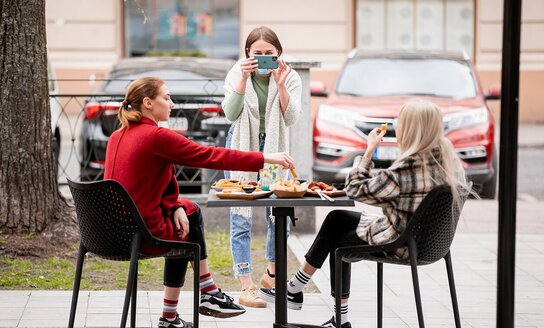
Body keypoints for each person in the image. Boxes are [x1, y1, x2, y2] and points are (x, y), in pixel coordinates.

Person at [258, 99, 473, 328]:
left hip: (401, 243)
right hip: (431, 243)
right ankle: (295, 288)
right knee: (337, 218)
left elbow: (355, 190)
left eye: (399, 124)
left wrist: (368, 151)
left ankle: (338, 319)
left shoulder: (406, 169)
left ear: (411, 130)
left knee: (338, 242)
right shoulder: (449, 162)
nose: (396, 128)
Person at [104, 77, 295, 328]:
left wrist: (174, 207)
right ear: (148, 103)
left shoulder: (117, 136)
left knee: (187, 214)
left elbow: (139, 186)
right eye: (167, 97)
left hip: (109, 234)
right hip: (140, 236)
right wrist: (266, 157)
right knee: (190, 220)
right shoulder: (155, 136)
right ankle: (204, 293)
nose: (172, 104)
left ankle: (183, 309)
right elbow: (209, 155)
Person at [221, 26, 302, 308]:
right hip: (243, 145)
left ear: (278, 54)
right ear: (248, 54)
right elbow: (230, 113)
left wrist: (280, 84)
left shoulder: (290, 77)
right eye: (258, 54)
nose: (264, 59)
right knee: (241, 213)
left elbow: (291, 118)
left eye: (270, 54)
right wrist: (243, 79)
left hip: (274, 149)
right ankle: (245, 284)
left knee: (278, 212)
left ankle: (271, 274)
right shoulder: (236, 73)